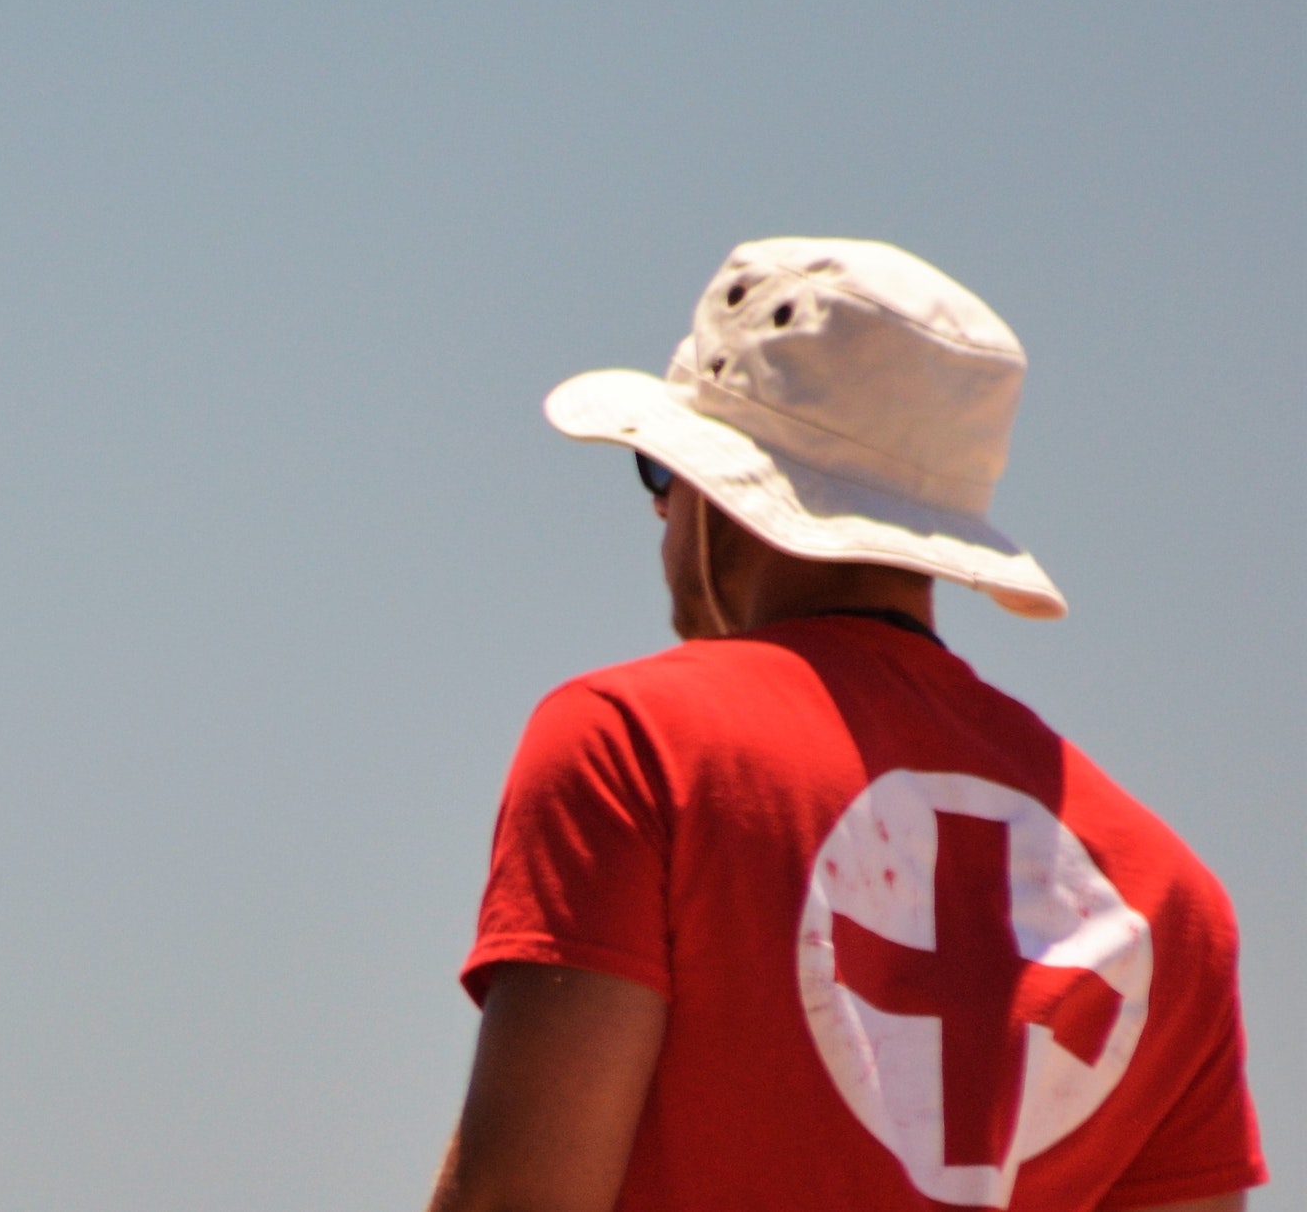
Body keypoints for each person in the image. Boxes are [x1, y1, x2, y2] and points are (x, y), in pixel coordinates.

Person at [425, 238, 1264, 1212]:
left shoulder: (632, 743)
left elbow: (519, 1196)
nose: (657, 517)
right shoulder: (1171, 898)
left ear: (714, 492)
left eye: (657, 472)